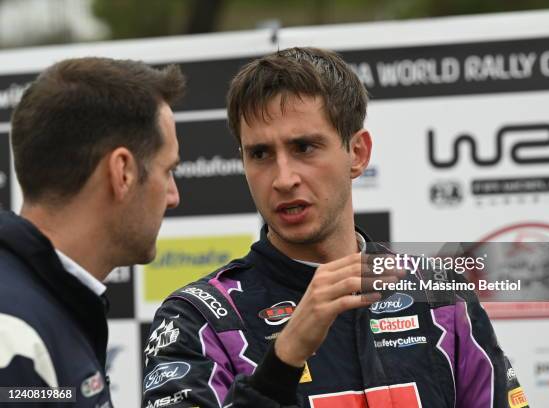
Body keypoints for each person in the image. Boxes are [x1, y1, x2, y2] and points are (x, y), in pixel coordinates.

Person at [142, 47, 528, 408]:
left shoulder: (442, 295)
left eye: (304, 148)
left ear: (357, 154)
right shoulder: (199, 318)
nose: (283, 178)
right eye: (260, 154)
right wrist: (282, 361)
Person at [0, 57, 185, 407]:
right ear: (123, 172)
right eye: (168, 171)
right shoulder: (13, 335)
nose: (174, 197)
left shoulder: (51, 301)